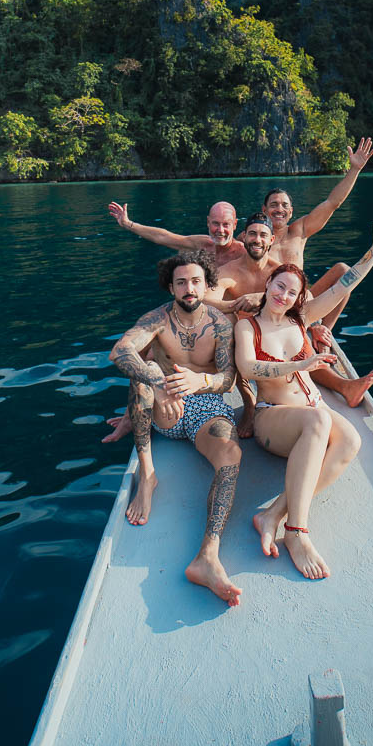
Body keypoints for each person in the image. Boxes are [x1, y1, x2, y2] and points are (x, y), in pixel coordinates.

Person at [234, 216, 373, 580]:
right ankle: (297, 531)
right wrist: (302, 362)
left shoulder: (301, 318)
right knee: (321, 419)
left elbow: (345, 283)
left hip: (311, 412)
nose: (284, 296)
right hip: (273, 416)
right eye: (279, 287)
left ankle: (273, 514)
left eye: (292, 292)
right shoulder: (249, 326)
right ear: (268, 284)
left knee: (351, 440)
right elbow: (247, 369)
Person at [108, 250, 242, 606]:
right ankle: (148, 476)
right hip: (165, 405)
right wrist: (155, 380)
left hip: (205, 404)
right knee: (140, 380)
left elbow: (228, 379)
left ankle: (208, 556)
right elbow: (120, 351)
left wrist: (202, 379)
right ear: (171, 286)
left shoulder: (219, 324)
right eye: (181, 282)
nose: (189, 288)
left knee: (230, 455)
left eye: (196, 281)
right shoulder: (156, 320)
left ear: (206, 284)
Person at [205, 213, 373, 432]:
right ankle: (250, 404)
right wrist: (238, 305)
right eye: (252, 234)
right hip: (247, 334)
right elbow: (205, 299)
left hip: (279, 332)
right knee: (229, 324)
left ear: (271, 240)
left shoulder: (278, 272)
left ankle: (342, 386)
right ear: (244, 237)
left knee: (347, 438)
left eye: (262, 235)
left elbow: (320, 294)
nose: (257, 239)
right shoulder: (230, 271)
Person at [252, 137, 373, 329]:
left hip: (302, 302)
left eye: (284, 205)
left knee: (344, 271)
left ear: (291, 212)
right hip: (271, 304)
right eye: (274, 205)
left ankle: (325, 332)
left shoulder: (299, 230)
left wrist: (355, 170)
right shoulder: (255, 239)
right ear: (264, 210)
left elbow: (332, 203)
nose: (279, 209)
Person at [108, 199, 245, 267]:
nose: (220, 230)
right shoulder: (202, 244)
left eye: (226, 224)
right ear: (208, 222)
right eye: (216, 223)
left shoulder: (243, 253)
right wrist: (128, 224)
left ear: (235, 225)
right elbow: (163, 237)